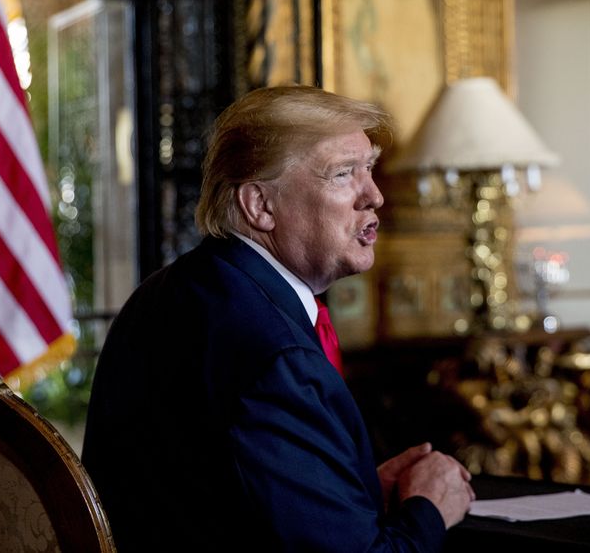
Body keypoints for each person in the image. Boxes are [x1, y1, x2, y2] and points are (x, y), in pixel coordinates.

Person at [81, 85, 474, 552]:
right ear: (260, 206)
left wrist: (356, 491)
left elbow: (220, 495)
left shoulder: (176, 289)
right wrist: (429, 508)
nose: (374, 196)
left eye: (368, 168)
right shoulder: (273, 354)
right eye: (343, 173)